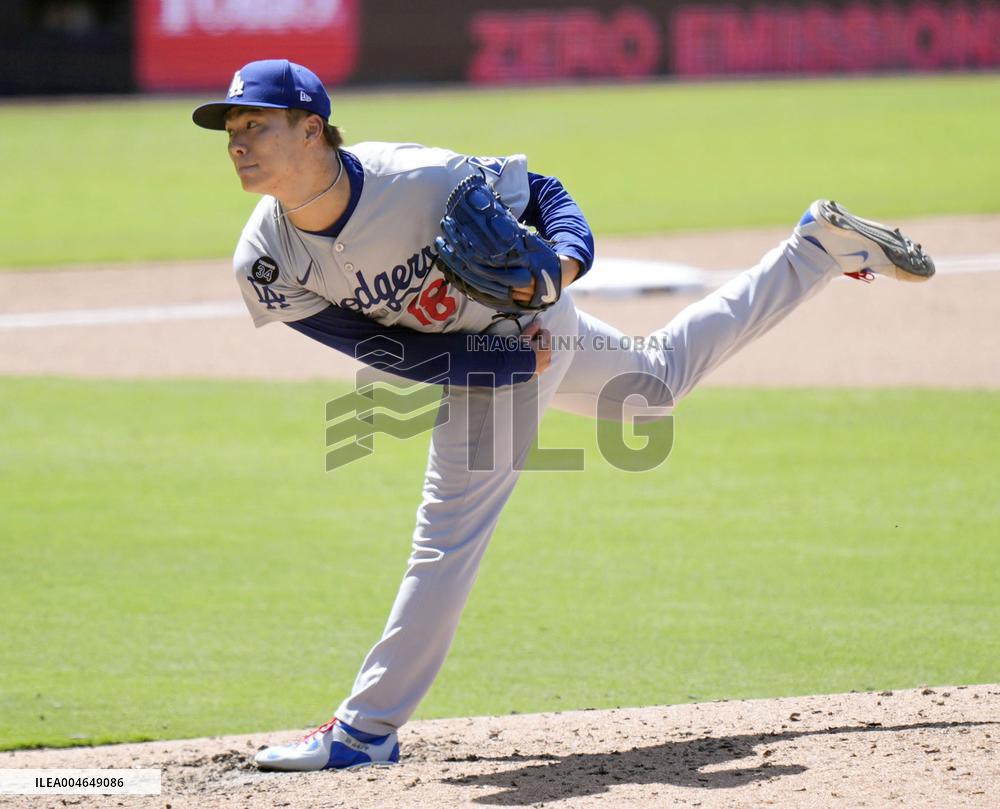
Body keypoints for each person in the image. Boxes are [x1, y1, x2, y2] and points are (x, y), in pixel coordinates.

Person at [192, 59, 934, 772]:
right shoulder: (264, 258)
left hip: (530, 324)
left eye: (255, 125)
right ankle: (814, 250)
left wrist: (566, 265)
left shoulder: (414, 177)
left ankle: (365, 729)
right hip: (498, 356)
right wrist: (515, 364)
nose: (237, 143)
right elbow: (383, 349)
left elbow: (543, 192)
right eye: (230, 130)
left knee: (447, 533)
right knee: (655, 384)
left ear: (313, 128)